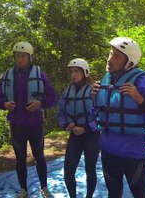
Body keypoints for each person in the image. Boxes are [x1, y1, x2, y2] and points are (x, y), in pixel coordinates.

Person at [91, 37, 145, 198]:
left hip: (133, 153)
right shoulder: (105, 80)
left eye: (117, 56)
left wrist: (140, 99)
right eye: (111, 53)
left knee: (139, 194)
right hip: (108, 151)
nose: (110, 59)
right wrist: (93, 100)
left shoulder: (143, 82)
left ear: (130, 63)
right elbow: (96, 116)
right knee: (113, 193)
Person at [0, 42, 56, 198]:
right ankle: (23, 189)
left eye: (23, 56)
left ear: (30, 57)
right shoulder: (6, 76)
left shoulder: (40, 75)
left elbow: (52, 97)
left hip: (35, 124)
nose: (20, 59)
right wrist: (4, 104)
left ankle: (44, 187)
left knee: (39, 156)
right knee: (20, 158)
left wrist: (40, 103)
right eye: (17, 56)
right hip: (17, 124)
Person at [57, 58, 100, 198]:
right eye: (71, 72)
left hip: (91, 135)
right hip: (75, 135)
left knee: (90, 169)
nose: (73, 74)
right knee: (68, 171)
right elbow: (61, 113)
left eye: (76, 71)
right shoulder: (67, 92)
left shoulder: (94, 91)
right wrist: (66, 124)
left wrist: (86, 128)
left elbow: (102, 116)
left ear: (85, 72)